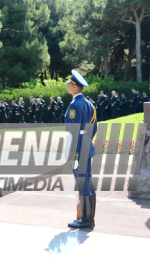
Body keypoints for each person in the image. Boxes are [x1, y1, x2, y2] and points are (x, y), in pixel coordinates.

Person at [65, 70, 97, 229]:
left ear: (76, 87)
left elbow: (73, 131)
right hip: (87, 146)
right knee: (87, 180)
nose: (68, 86)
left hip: (78, 148)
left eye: (70, 84)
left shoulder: (75, 105)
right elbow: (94, 128)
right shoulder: (89, 104)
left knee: (82, 182)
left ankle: (85, 219)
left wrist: (73, 154)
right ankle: (89, 217)